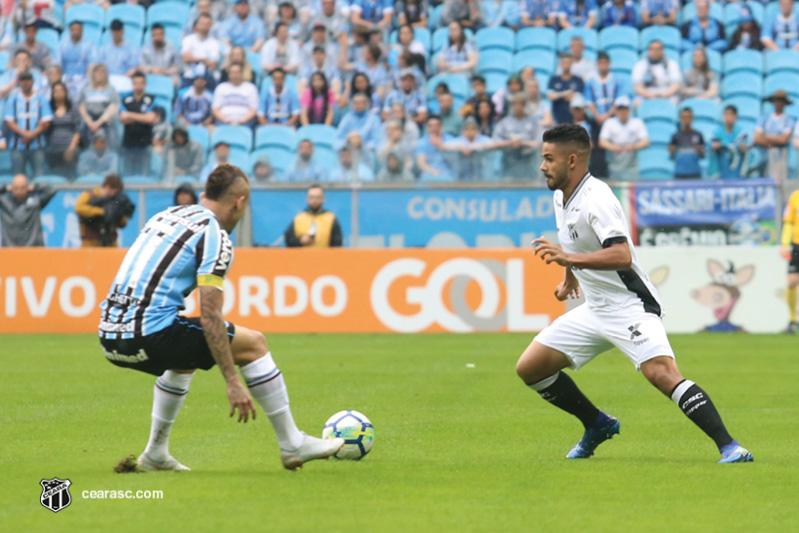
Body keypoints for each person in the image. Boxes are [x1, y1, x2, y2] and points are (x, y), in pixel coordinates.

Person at [516, 123, 753, 463]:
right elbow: (572, 239)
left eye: (548, 159)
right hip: (594, 308)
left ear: (571, 160)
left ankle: (730, 446)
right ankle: (597, 424)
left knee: (662, 374)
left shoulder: (597, 199)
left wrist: (569, 259)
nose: (542, 166)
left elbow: (621, 255)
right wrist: (570, 276)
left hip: (629, 306)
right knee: (531, 368)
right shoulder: (561, 195)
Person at [100, 165, 344, 473]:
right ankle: (293, 444)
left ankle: (156, 453)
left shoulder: (166, 215)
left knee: (184, 353)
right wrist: (232, 380)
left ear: (204, 196)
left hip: (109, 336)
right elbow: (211, 314)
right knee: (254, 344)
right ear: (240, 202)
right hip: (148, 334)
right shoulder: (216, 236)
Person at [4, 72, 52, 177]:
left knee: (40, 176)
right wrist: (25, 133)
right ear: (19, 82)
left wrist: (32, 134)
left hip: (37, 146)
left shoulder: (41, 99)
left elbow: (46, 121)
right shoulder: (13, 99)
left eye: (28, 80)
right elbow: (9, 121)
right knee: (18, 176)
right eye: (23, 80)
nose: (25, 83)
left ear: (33, 81)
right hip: (17, 146)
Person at [120, 72, 162, 176]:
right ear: (132, 84)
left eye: (141, 83)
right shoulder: (125, 99)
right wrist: (143, 117)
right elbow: (123, 117)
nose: (138, 85)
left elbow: (151, 118)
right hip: (128, 143)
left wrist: (130, 115)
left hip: (145, 143)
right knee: (128, 176)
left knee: (145, 176)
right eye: (136, 83)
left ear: (145, 84)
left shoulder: (151, 98)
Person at [598, 96, 650, 180]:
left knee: (631, 190)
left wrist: (633, 146)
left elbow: (645, 141)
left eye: (625, 109)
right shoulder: (610, 122)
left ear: (629, 110)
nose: (622, 112)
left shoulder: (637, 122)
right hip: (614, 165)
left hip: (632, 167)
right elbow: (602, 141)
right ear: (616, 110)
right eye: (620, 109)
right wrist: (613, 147)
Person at [75, 174, 133, 248]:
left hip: (111, 243)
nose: (115, 195)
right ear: (108, 187)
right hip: (90, 244)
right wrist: (101, 212)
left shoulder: (115, 201)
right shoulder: (89, 195)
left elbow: (123, 223)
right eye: (114, 192)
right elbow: (79, 208)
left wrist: (118, 214)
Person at [492, 93, 541, 179]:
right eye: (515, 104)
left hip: (528, 163)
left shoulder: (533, 122)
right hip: (509, 163)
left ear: (524, 105)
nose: (518, 106)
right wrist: (509, 142)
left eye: (520, 103)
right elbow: (495, 141)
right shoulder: (504, 122)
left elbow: (539, 142)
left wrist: (522, 143)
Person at [0, 174, 55, 247]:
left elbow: (51, 189)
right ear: (11, 188)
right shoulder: (5, 203)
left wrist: (35, 187)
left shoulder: (35, 203)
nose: (19, 191)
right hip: (10, 251)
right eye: (16, 188)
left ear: (27, 188)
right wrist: (5, 187)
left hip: (33, 250)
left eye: (22, 188)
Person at [755, 90, 795, 184]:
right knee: (763, 182)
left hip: (780, 158)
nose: (778, 103)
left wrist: (765, 136)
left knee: (779, 183)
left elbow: (784, 139)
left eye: (781, 100)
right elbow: (757, 138)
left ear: (785, 103)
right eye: (776, 100)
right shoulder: (763, 118)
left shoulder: (789, 120)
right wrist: (776, 139)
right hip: (764, 157)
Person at [44, 81, 81, 179]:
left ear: (65, 92)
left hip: (69, 148)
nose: (59, 93)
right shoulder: (48, 108)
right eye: (56, 91)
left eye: (61, 90)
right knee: (55, 175)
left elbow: (78, 130)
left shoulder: (73, 108)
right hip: (53, 150)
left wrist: (71, 148)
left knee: (69, 174)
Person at [439, 116, 494, 181]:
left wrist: (475, 147)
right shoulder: (459, 141)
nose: (470, 132)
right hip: (462, 175)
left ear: (477, 130)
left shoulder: (483, 139)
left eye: (472, 129)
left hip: (479, 175)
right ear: (463, 131)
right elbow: (443, 146)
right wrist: (460, 147)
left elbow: (494, 144)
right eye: (467, 129)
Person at [78, 64, 119, 149]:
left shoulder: (111, 90)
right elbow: (81, 107)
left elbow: (113, 107)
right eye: (97, 72)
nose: (100, 74)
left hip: (105, 124)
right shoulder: (86, 90)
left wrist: (98, 123)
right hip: (89, 124)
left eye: (102, 72)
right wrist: (90, 123)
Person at [632, 40, 682, 105]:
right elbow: (638, 87)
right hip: (647, 93)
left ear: (662, 51)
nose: (655, 52)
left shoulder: (672, 64)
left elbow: (675, 85)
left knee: (675, 102)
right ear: (648, 51)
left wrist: (665, 95)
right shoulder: (640, 65)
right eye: (652, 49)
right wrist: (650, 96)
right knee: (636, 103)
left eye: (658, 49)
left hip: (667, 93)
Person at [181, 14, 223, 90]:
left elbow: (213, 64)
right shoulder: (188, 40)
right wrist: (203, 59)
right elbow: (185, 58)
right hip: (190, 76)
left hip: (207, 77)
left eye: (207, 24)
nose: (204, 26)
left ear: (211, 26)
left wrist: (193, 58)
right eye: (202, 23)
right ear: (197, 25)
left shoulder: (215, 43)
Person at [584, 52, 625, 128]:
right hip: (595, 119)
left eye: (605, 63)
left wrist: (607, 116)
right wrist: (597, 116)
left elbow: (619, 100)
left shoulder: (617, 80)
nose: (603, 65)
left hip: (613, 117)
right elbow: (589, 101)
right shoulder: (590, 82)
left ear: (609, 63)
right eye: (600, 63)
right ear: (597, 64)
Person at [55, 21, 95, 98]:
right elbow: (58, 63)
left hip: (83, 79)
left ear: (82, 31)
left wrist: (86, 81)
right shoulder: (62, 44)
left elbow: (91, 65)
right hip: (65, 77)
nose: (76, 32)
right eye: (74, 29)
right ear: (70, 30)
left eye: (78, 29)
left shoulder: (89, 45)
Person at [212, 63, 259, 128]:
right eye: (233, 72)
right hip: (223, 122)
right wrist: (227, 121)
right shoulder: (221, 87)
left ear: (242, 73)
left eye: (237, 72)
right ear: (229, 74)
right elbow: (215, 109)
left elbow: (253, 110)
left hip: (246, 123)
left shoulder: (251, 88)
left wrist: (241, 121)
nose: (235, 75)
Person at [712, 105, 749, 180]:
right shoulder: (717, 133)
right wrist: (715, 146)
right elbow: (711, 146)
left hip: (737, 171)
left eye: (730, 114)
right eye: (726, 114)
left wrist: (743, 148)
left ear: (735, 116)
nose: (727, 117)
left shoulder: (741, 133)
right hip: (722, 171)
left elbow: (746, 149)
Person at [548, 53, 585, 125]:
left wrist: (557, 95)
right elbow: (551, 96)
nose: (566, 65)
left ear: (572, 63)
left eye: (568, 62)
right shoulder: (554, 80)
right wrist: (564, 94)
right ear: (560, 64)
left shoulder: (578, 80)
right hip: (558, 117)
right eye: (564, 62)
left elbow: (577, 97)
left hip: (574, 120)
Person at [669, 107, 705, 180]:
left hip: (695, 173)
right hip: (680, 173)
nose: (686, 120)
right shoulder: (676, 136)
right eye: (684, 117)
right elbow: (672, 156)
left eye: (688, 117)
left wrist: (700, 151)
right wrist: (672, 151)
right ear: (680, 119)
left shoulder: (698, 135)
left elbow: (703, 155)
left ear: (692, 118)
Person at [781, 190, 799, 333]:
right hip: (797, 245)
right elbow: (788, 222)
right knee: (792, 281)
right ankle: (792, 320)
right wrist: (784, 244)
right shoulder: (795, 196)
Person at [416, 115, 455, 181]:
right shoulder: (421, 142)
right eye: (430, 126)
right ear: (427, 128)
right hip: (428, 174)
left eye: (436, 126)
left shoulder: (450, 140)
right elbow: (421, 164)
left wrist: (441, 146)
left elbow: (455, 159)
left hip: (448, 173)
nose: (433, 128)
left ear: (441, 127)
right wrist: (434, 172)